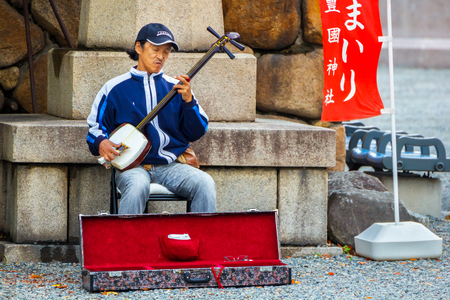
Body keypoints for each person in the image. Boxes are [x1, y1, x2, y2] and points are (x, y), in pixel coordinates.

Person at [86, 23, 216, 214]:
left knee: (205, 183)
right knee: (138, 185)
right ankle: (128, 243)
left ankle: (197, 242)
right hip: (132, 167)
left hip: (170, 165)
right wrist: (101, 143)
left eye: (166, 52)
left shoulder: (176, 87)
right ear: (139, 48)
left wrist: (188, 101)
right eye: (155, 49)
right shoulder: (114, 88)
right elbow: (94, 128)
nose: (161, 56)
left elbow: (197, 130)